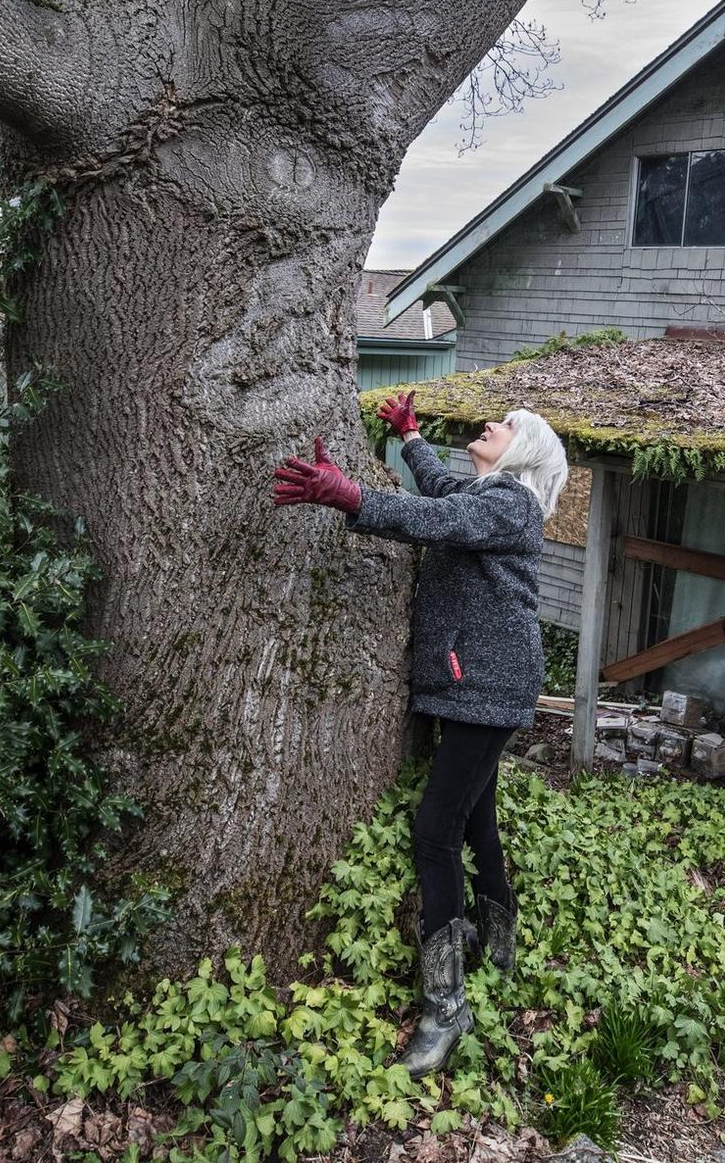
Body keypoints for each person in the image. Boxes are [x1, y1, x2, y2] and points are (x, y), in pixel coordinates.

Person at [270, 392, 568, 1077]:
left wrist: (351, 498)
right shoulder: (490, 497)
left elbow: (434, 515)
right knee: (476, 821)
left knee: (435, 831)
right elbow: (439, 489)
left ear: (522, 451)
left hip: (485, 690)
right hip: (480, 685)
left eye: (506, 424)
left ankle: (445, 1005)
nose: (491, 424)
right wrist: (410, 438)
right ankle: (499, 945)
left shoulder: (510, 504)